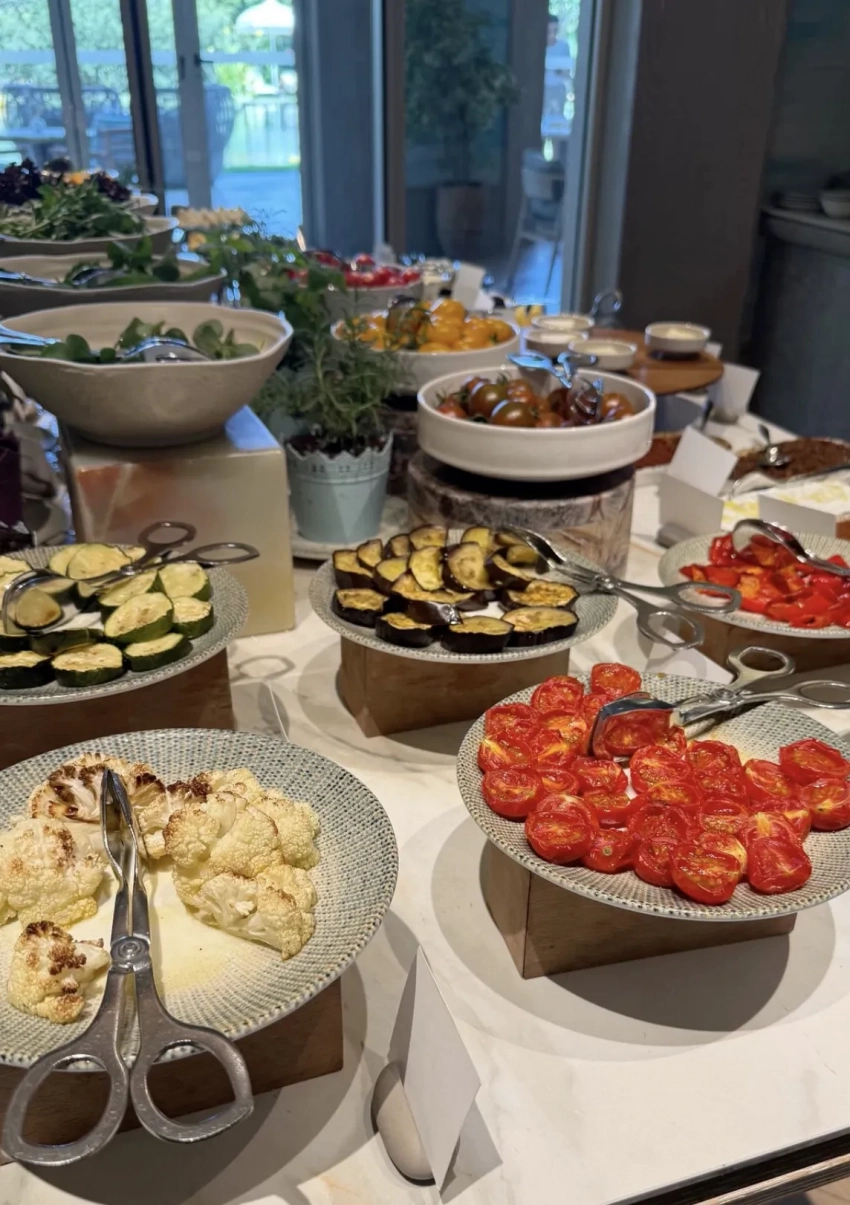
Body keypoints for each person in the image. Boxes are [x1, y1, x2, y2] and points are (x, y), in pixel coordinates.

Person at [544, 13, 573, 118]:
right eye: (549, 31)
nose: (552, 35)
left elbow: (567, 74)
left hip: (558, 90)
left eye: (555, 31)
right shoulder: (536, 46)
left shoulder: (564, 47)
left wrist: (559, 70)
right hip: (541, 89)